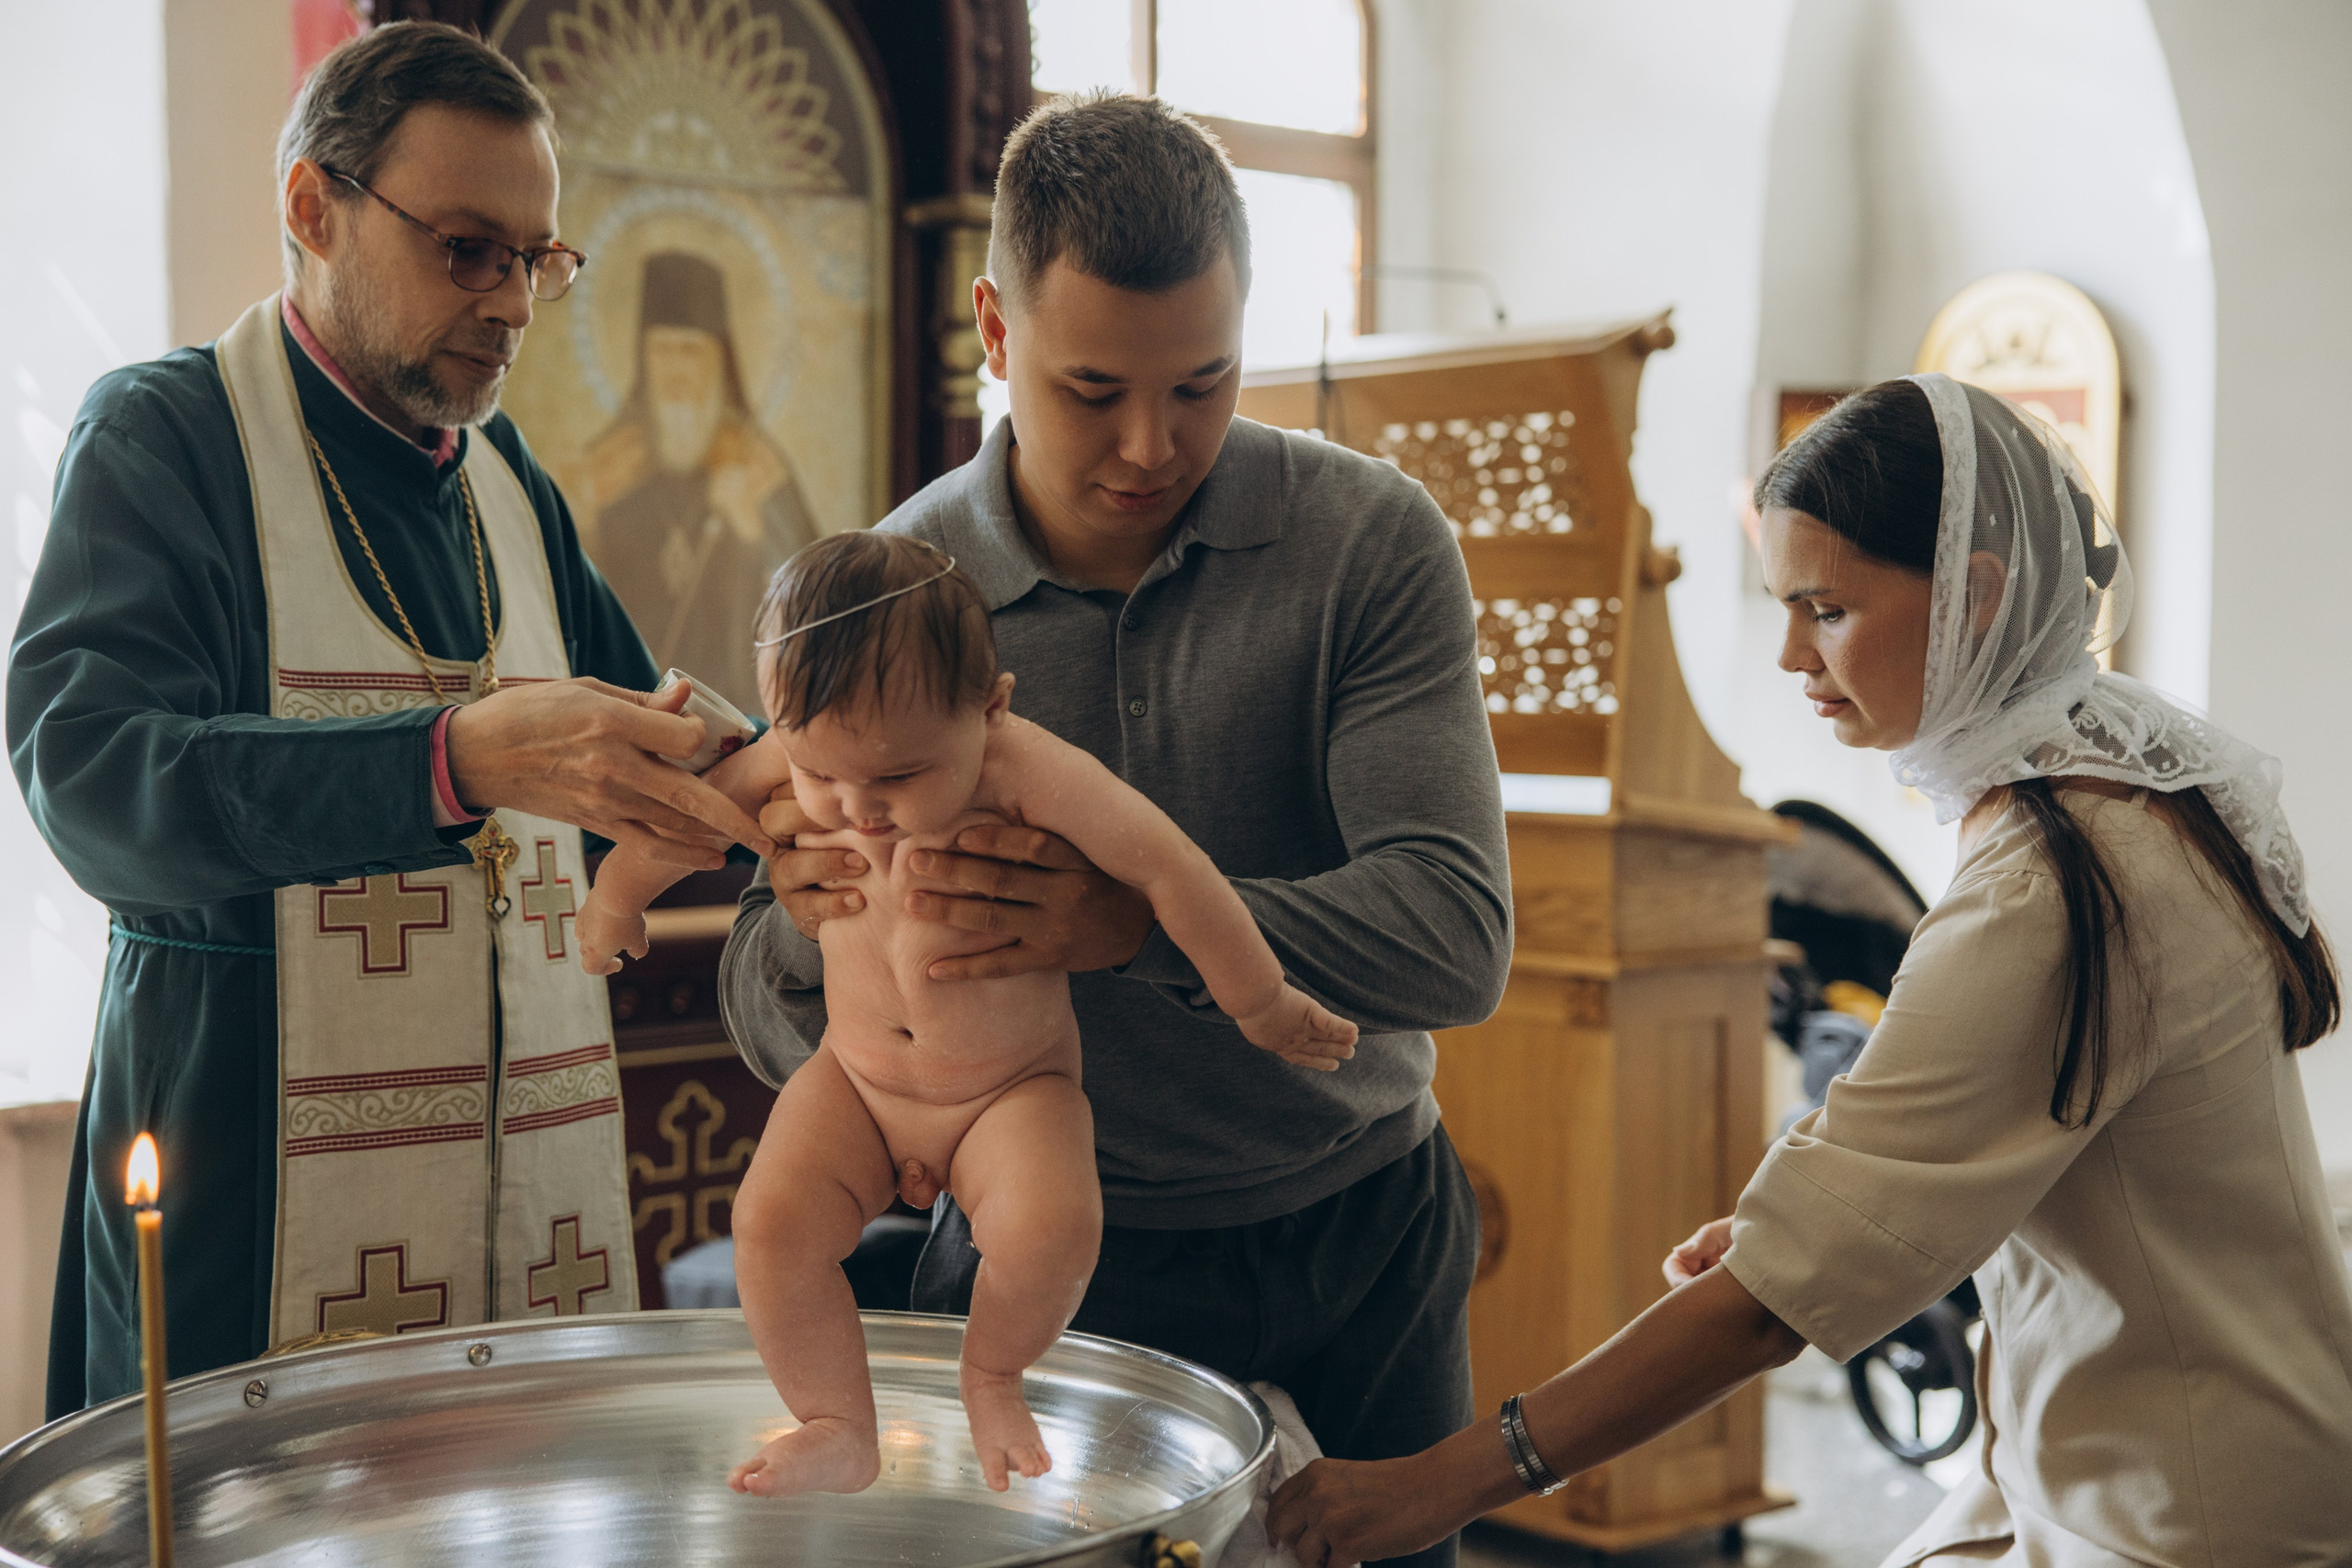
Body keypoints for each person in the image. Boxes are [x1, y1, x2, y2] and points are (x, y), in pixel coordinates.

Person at [1266, 376, 2352, 1568]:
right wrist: (1809, 1222)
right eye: (1784, 607)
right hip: (2130, 1450)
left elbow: (1760, 1316)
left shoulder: (2056, 883)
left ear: (1977, 595)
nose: (1791, 653)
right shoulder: (2119, 790)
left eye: (1825, 610)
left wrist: (1438, 1485)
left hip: (2185, 1508)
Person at [718, 93, 1510, 1568]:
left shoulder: (1369, 540)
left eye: (1204, 383)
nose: (1153, 444)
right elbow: (763, 1003)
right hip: (1058, 1246)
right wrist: (816, 918)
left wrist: (1133, 926)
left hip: (1363, 1228)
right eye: (1093, 390)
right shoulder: (895, 596)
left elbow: (1457, 940)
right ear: (994, 329)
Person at [6, 21, 773, 1416]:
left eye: (536, 260)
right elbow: (94, 783)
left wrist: (809, 786)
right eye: (468, 251)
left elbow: (652, 745)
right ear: (313, 208)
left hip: (526, 1222)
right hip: (250, 1217)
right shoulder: (168, 440)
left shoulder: (505, 484)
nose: (514, 304)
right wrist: (451, 760)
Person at [582, 531, 1356, 1494]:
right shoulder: (803, 751)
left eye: (899, 778)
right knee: (771, 1225)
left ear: (989, 707)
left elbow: (1170, 868)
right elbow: (687, 818)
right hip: (857, 1079)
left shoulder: (1021, 768)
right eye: (821, 774)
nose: (856, 809)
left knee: (1048, 1230)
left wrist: (1262, 1000)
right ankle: (836, 1423)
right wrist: (615, 900)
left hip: (1010, 1090)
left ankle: (993, 1373)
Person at [582, 250, 819, 714]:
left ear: (719, 362)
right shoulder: (610, 465)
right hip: (623, 712)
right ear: (643, 361)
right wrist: (585, 522)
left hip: (742, 716)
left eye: (690, 351)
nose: (675, 369)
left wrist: (749, 530)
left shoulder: (758, 466)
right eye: (662, 351)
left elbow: (813, 601)